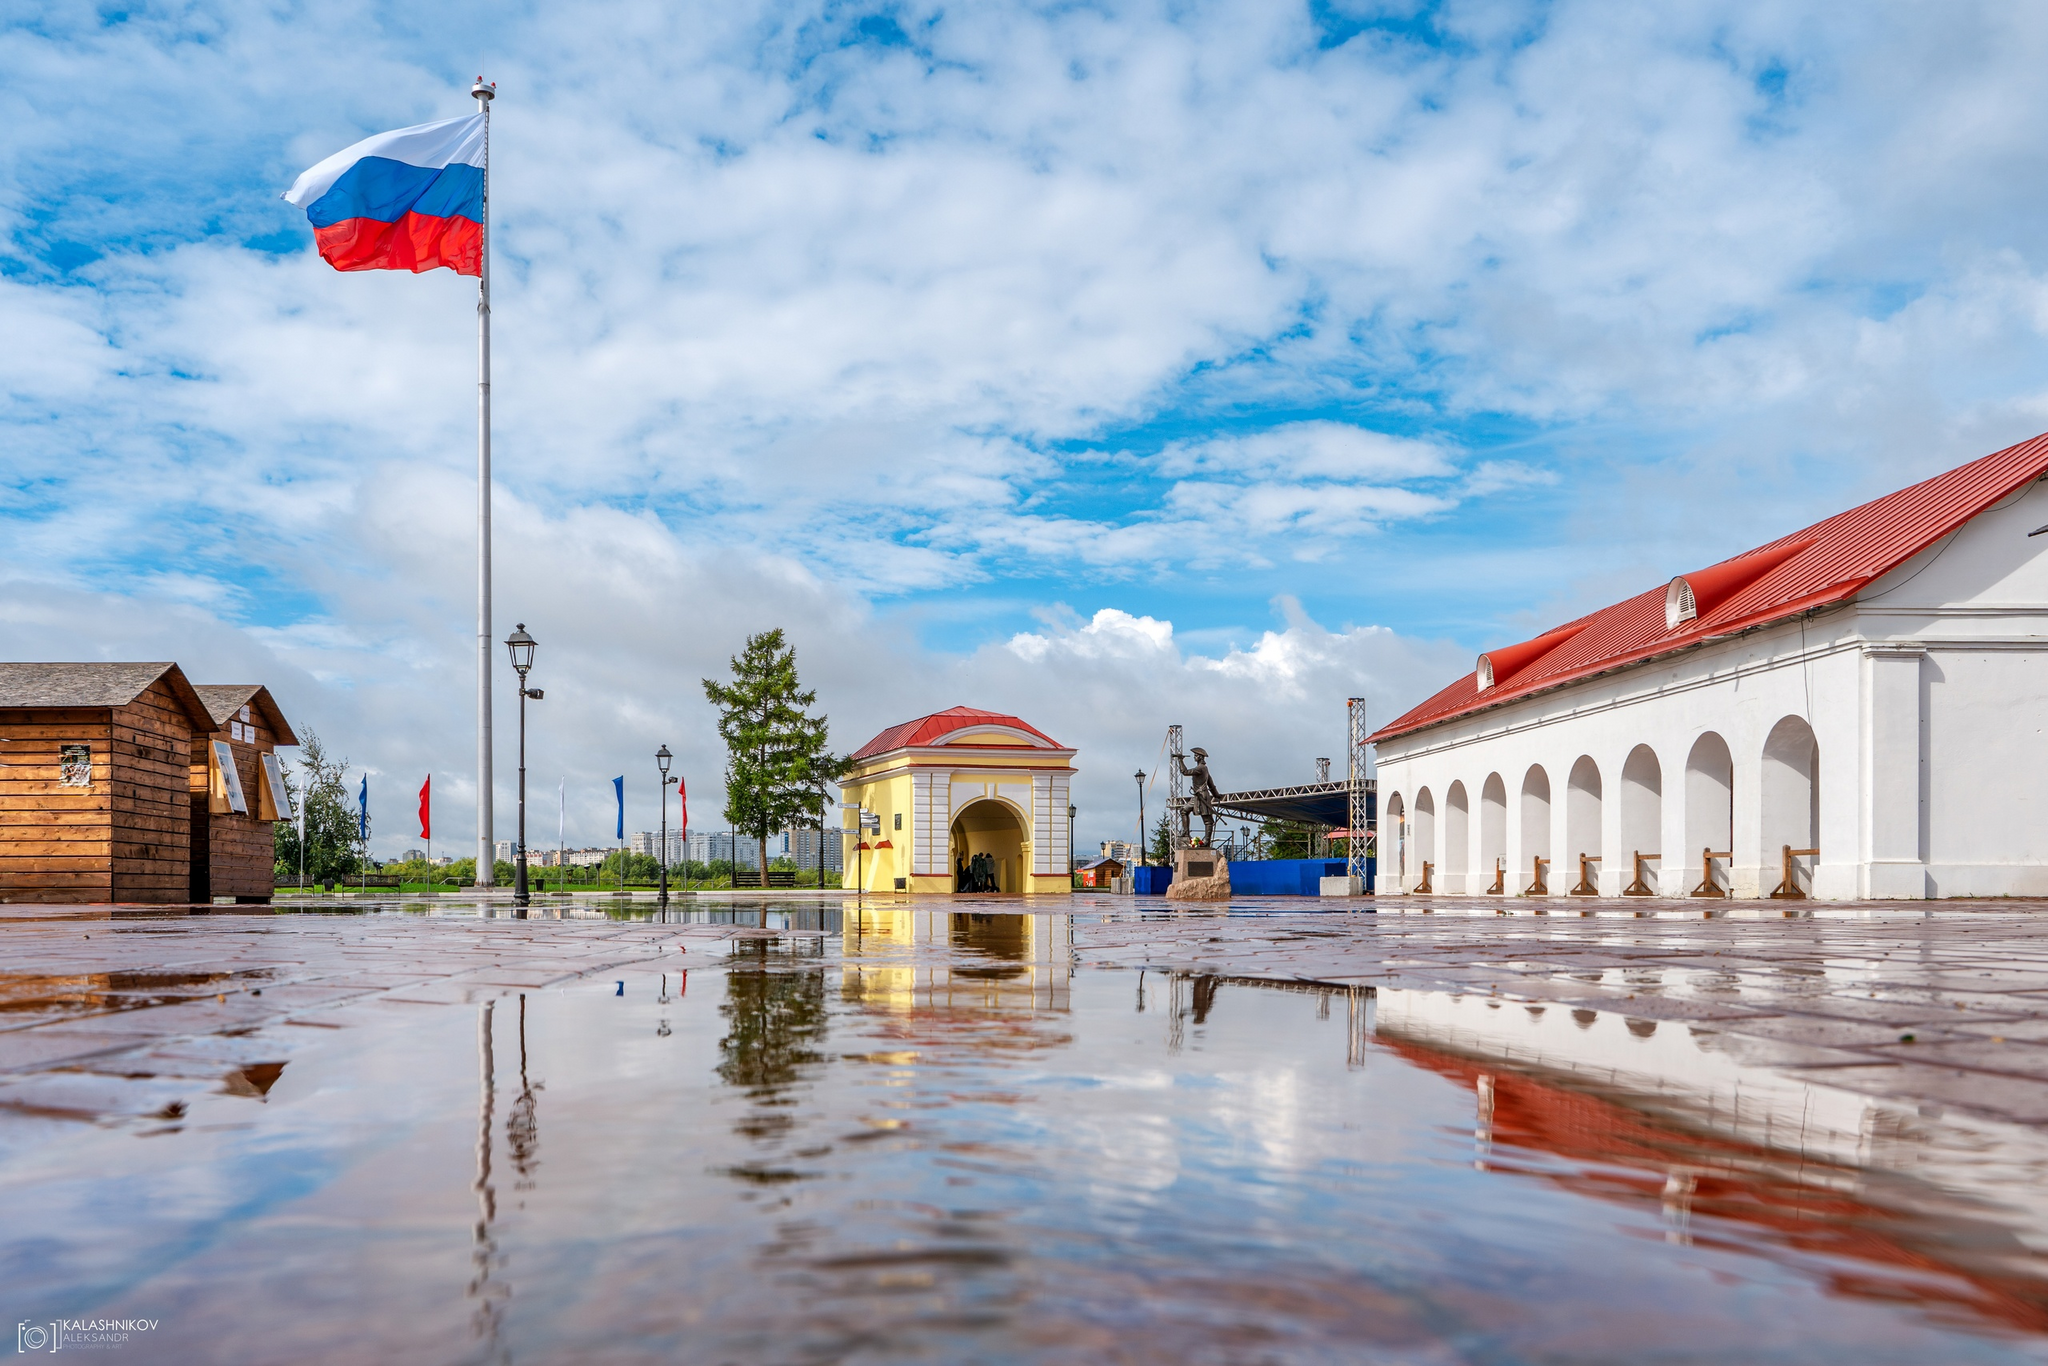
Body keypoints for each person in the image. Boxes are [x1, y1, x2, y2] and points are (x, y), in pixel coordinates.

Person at [1177, 747, 1220, 847]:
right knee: (1184, 810)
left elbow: (1185, 772)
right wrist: (1217, 795)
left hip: (1202, 796)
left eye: (1196, 755)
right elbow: (1211, 784)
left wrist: (1180, 760)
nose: (1194, 757)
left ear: (1201, 757)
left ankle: (1207, 841)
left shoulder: (1200, 768)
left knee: (1207, 819)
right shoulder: (1204, 769)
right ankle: (1185, 834)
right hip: (1197, 796)